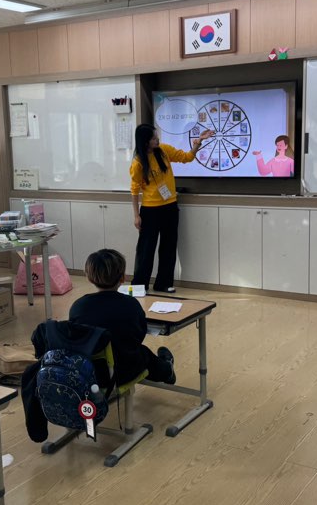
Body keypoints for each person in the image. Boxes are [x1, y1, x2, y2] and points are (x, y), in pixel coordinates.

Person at [69, 249, 176, 387]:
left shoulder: (78, 306)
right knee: (142, 353)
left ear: (89, 277)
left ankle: (165, 368)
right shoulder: (131, 304)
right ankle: (167, 370)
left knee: (135, 353)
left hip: (88, 371)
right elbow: (139, 334)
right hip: (123, 371)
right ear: (122, 278)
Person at [130, 123, 214, 293]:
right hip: (150, 210)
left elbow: (186, 157)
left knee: (169, 246)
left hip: (170, 206)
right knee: (146, 249)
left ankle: (163, 283)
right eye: (153, 138)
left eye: (156, 136)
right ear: (145, 141)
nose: (157, 139)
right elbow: (134, 189)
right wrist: (136, 215)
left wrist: (198, 142)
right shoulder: (138, 162)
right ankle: (139, 285)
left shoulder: (164, 150)